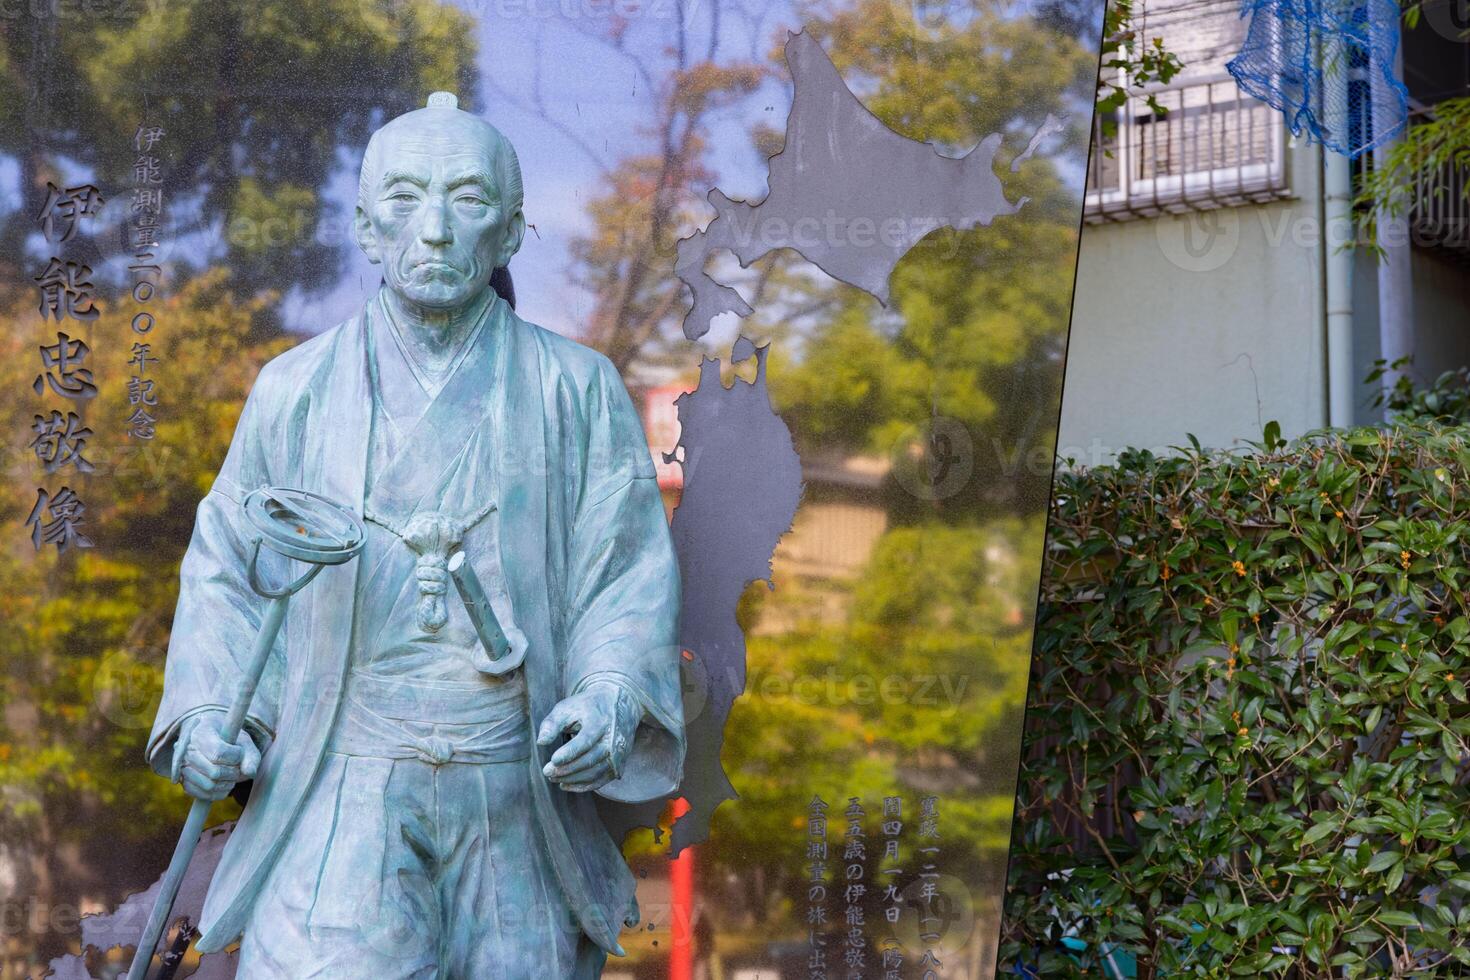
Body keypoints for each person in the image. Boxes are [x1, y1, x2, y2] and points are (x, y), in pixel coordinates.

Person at [146, 92, 683, 979]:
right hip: (340, 781)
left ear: (510, 233)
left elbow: (622, 573)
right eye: (403, 198)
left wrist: (611, 697)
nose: (432, 228)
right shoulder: (297, 389)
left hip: (513, 786)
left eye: (467, 200)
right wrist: (210, 715)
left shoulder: (574, 389)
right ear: (364, 225)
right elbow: (229, 573)